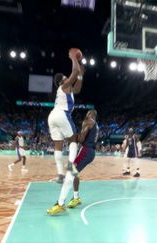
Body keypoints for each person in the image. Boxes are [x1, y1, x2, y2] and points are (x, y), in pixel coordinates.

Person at [47, 110, 99, 215]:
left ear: (90, 114)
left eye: (87, 113)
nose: (86, 114)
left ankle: (60, 204)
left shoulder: (88, 121)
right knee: (73, 171)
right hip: (91, 152)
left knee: (70, 171)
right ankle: (76, 197)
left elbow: (80, 139)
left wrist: (71, 137)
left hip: (85, 150)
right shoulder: (96, 125)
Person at [47, 49, 83, 183]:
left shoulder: (67, 89)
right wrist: (74, 58)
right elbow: (74, 72)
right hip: (62, 114)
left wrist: (81, 75)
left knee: (58, 145)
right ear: (62, 80)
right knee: (73, 141)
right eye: (66, 77)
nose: (68, 78)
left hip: (52, 117)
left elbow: (78, 88)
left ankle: (60, 176)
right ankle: (71, 169)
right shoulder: (64, 85)